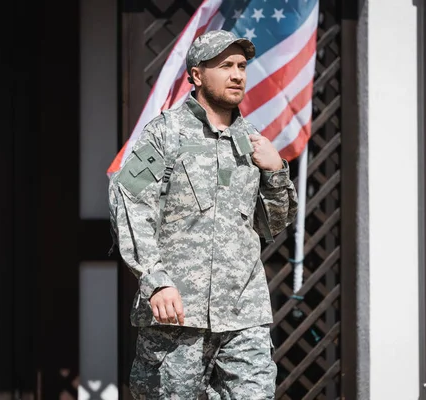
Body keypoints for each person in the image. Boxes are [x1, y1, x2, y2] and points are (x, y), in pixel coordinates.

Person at [109, 30, 298, 399]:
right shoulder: (165, 134)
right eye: (225, 65)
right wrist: (155, 279)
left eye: (241, 66)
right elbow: (130, 204)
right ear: (196, 75)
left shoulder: (252, 140)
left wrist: (275, 171)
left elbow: (272, 224)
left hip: (244, 313)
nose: (237, 75)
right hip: (178, 316)